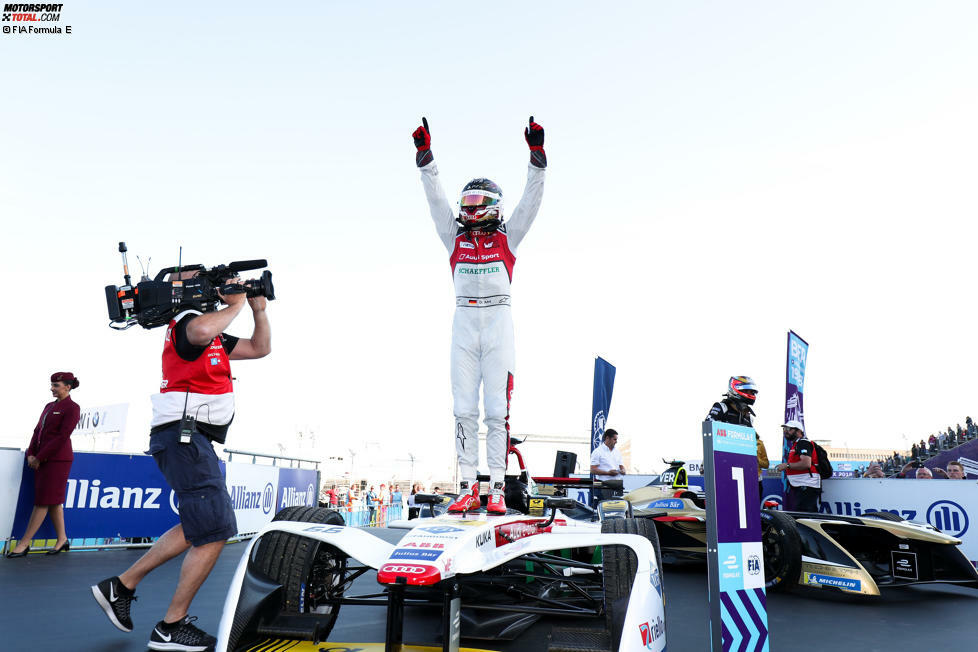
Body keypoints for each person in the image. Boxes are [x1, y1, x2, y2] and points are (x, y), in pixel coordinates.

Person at [91, 278, 271, 652]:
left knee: (200, 524)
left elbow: (260, 348)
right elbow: (204, 326)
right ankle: (170, 627)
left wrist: (257, 310)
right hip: (184, 435)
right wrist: (236, 304)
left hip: (190, 438)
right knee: (217, 526)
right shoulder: (190, 321)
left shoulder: (214, 337)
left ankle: (121, 585)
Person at [413, 115, 547, 515]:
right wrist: (426, 159)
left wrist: (537, 158)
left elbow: (531, 201)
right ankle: (469, 485)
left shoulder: (509, 236)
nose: (469, 210)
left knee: (497, 412)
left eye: (476, 203)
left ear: (492, 208)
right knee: (463, 409)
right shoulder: (452, 236)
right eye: (466, 203)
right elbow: (435, 199)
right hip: (463, 325)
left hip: (498, 324)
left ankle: (498, 489)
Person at [6, 372, 81, 558]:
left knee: (43, 502)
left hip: (57, 461)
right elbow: (37, 431)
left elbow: (62, 437)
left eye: (56, 385)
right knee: (53, 501)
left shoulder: (72, 408)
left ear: (67, 387)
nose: (52, 388)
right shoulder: (49, 406)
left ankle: (24, 544)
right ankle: (62, 539)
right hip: (42, 458)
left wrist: (40, 457)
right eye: (52, 385)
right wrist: (31, 453)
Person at [774, 420, 820, 512]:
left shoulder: (803, 443)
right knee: (803, 515)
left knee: (806, 516)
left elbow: (806, 463)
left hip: (806, 485)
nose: (785, 431)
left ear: (799, 431)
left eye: (789, 429)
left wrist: (786, 465)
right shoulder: (797, 444)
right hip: (802, 485)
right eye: (784, 429)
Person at [589, 429, 626, 502]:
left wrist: (623, 470)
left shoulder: (617, 452)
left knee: (618, 507)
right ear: (607, 438)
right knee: (605, 506)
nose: (616, 442)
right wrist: (608, 473)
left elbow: (621, 466)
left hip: (617, 484)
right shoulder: (597, 452)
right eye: (614, 439)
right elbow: (593, 469)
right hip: (604, 484)